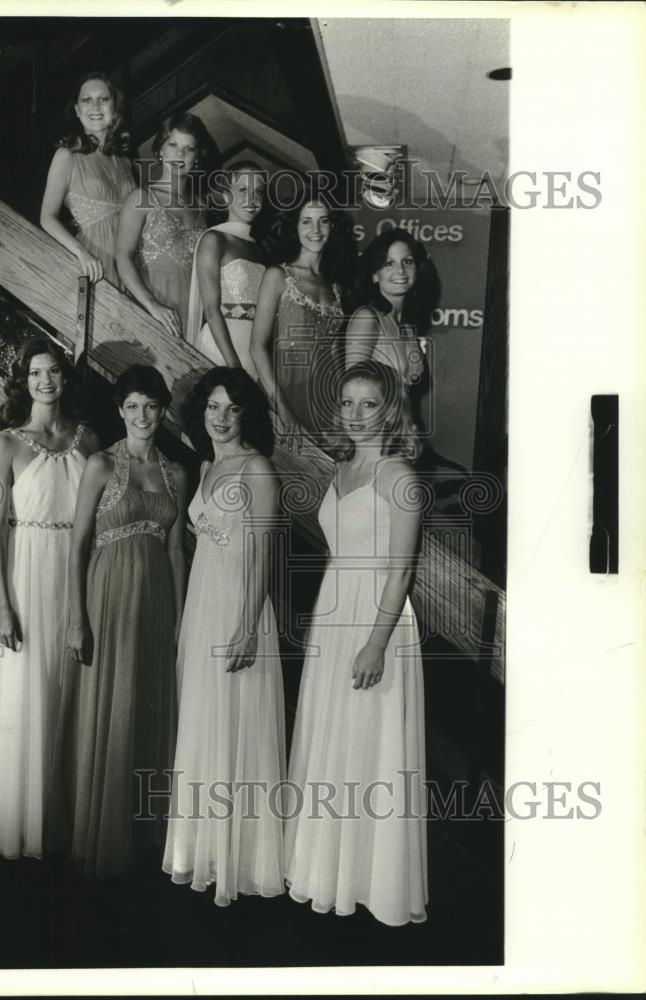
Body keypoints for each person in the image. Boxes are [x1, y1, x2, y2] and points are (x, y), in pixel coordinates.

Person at [285, 360, 428, 925]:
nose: (356, 415)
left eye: (369, 404)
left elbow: (401, 571)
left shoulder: (400, 477)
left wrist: (375, 643)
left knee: (370, 750)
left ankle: (368, 882)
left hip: (379, 621)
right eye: (347, 403)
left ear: (390, 409)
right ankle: (325, 869)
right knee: (332, 739)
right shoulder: (341, 466)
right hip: (334, 608)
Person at [0, 337, 100, 859]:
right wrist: (4, 605)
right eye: (37, 373)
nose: (47, 381)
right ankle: (19, 825)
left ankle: (63, 821)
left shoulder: (88, 439)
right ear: (24, 380)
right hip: (25, 570)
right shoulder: (5, 445)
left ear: (65, 379)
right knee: (28, 691)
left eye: (55, 372)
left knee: (69, 689)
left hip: (75, 567)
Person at [54, 365, 187, 878]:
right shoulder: (102, 464)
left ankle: (140, 836)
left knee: (145, 705)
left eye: (151, 406)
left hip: (156, 603)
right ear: (120, 411)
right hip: (107, 597)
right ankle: (100, 838)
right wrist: (75, 617)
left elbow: (177, 553)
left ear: (163, 410)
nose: (142, 416)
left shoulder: (176, 473)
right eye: (132, 407)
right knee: (111, 704)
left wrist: (180, 621)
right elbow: (77, 542)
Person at [163, 367, 286, 906]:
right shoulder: (209, 465)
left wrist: (246, 626)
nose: (220, 417)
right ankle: (202, 850)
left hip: (240, 608)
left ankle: (241, 859)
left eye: (231, 408)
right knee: (205, 720)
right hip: (203, 603)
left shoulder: (257, 469)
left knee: (236, 722)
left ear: (246, 415)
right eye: (212, 407)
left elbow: (262, 555)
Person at [250, 191, 351, 445]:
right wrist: (282, 409)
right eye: (306, 221)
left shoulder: (336, 286)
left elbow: (335, 357)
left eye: (323, 220)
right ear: (295, 227)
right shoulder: (278, 275)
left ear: (332, 225)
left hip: (325, 404)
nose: (315, 230)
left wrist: (343, 410)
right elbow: (257, 348)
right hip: (282, 396)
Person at [116, 112, 217, 337]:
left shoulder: (202, 207)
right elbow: (122, 257)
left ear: (197, 157)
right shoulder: (141, 198)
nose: (179, 154)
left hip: (192, 314)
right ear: (160, 150)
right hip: (151, 311)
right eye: (173, 144)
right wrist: (152, 306)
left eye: (189, 148)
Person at [40, 71, 136, 286]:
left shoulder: (125, 162)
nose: (95, 107)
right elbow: (47, 217)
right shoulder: (67, 156)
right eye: (86, 100)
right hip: (94, 265)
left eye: (103, 99)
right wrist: (81, 253)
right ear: (76, 109)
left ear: (115, 107)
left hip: (130, 267)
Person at [184, 161, 267, 377]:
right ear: (226, 195)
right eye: (242, 190)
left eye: (258, 191)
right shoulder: (214, 239)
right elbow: (211, 309)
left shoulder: (257, 248)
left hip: (252, 349)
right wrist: (233, 366)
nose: (252, 198)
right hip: (221, 349)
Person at [344, 228, 440, 409]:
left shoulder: (408, 327)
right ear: (374, 274)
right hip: (375, 431)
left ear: (417, 269)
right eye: (389, 263)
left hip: (403, 429)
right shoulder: (367, 318)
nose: (401, 270)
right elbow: (352, 392)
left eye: (407, 261)